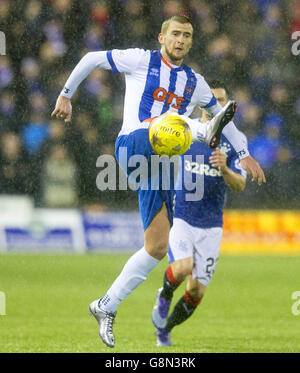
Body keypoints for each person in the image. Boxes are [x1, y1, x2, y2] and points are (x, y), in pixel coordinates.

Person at [51, 15, 265, 348]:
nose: (181, 39)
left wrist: (245, 152)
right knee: (173, 123)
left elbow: (232, 126)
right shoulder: (141, 60)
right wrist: (66, 94)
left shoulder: (195, 82)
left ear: (192, 42)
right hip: (134, 145)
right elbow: (92, 58)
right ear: (161, 37)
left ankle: (105, 306)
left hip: (160, 165)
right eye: (175, 33)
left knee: (156, 247)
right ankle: (205, 129)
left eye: (187, 35)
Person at [152, 81, 247, 346]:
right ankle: (165, 294)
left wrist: (225, 169)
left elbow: (240, 185)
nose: (212, 108)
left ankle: (165, 329)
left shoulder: (233, 141)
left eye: (219, 102)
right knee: (183, 267)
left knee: (195, 291)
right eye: (209, 102)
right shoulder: (186, 132)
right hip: (183, 216)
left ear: (226, 107)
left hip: (212, 225)